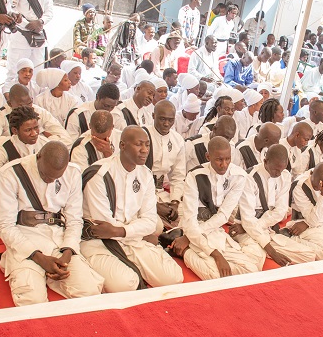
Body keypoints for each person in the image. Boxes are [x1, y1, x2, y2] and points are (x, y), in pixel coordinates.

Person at [0, 141, 104, 306]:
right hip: (25, 238)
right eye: (46, 175)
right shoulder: (11, 173)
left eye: (56, 177)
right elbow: (4, 225)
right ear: (38, 157)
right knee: (32, 301)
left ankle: (49, 274)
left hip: (58, 239)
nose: (50, 180)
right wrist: (38, 258)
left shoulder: (72, 173)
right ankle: (19, 263)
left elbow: (74, 219)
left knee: (89, 291)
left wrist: (68, 252)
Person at [79, 126, 183, 291]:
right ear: (122, 145)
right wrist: (135, 232)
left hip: (129, 236)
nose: (144, 150)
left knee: (174, 277)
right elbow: (104, 228)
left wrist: (123, 231)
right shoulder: (100, 175)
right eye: (138, 144)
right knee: (126, 284)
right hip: (100, 241)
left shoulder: (145, 174)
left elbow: (149, 221)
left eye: (147, 145)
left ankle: (138, 260)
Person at [173, 136, 261, 279]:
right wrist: (216, 255)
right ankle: (185, 252)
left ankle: (189, 246)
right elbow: (190, 221)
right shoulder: (194, 176)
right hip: (194, 225)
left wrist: (188, 238)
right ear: (208, 157)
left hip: (212, 227)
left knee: (252, 269)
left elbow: (224, 215)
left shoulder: (239, 176)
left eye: (228, 159)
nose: (224, 164)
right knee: (215, 275)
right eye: (219, 160)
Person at [230, 144, 316, 267]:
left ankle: (262, 249)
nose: (279, 174)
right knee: (255, 262)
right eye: (276, 169)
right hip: (246, 231)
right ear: (265, 161)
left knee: (309, 255)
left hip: (264, 229)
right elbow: (248, 219)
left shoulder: (285, 175)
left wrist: (253, 226)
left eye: (282, 169)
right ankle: (261, 249)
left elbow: (280, 211)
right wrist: (273, 252)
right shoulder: (249, 178)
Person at [6, 0, 53, 84]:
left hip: (38, 36)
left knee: (37, 74)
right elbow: (11, 8)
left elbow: (50, 10)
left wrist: (40, 22)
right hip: (21, 35)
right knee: (15, 72)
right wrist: (27, 24)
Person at [142, 101, 186, 232]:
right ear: (153, 116)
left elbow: (178, 176)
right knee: (156, 227)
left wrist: (175, 202)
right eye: (162, 119)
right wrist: (154, 205)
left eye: (170, 120)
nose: (166, 124)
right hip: (141, 193)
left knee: (187, 217)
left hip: (161, 192)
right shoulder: (142, 136)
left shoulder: (177, 140)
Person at [0, 83, 72, 146]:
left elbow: (66, 139)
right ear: (10, 104)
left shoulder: (39, 111)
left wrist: (38, 142)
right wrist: (22, 140)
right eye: (21, 105)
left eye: (29, 103)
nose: (27, 108)